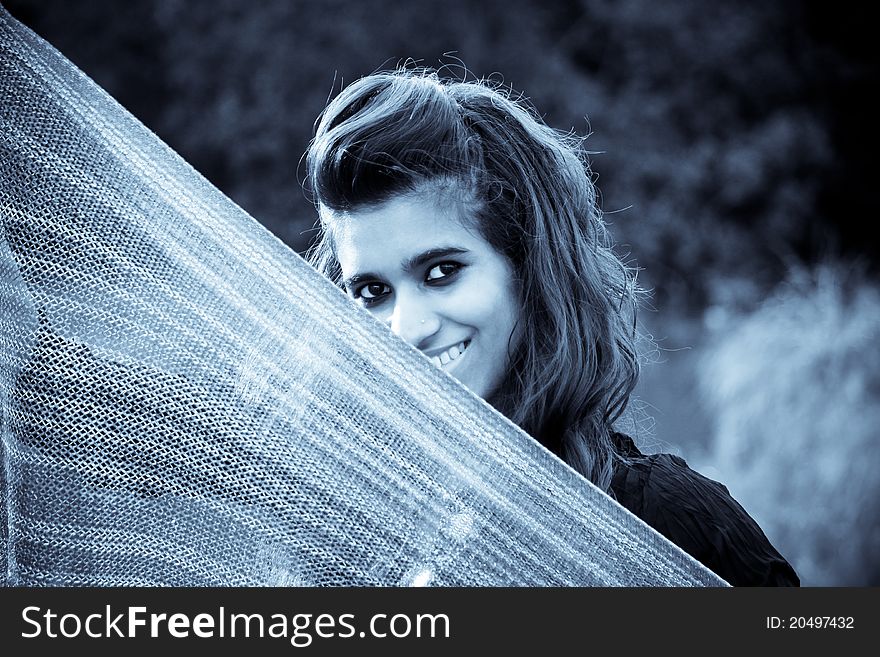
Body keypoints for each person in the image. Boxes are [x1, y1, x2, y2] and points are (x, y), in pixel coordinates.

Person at [304, 66, 799, 586]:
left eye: (441, 272)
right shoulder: (367, 545)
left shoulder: (665, 526)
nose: (406, 329)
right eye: (371, 292)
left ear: (529, 269)